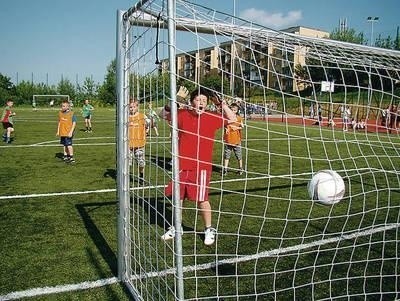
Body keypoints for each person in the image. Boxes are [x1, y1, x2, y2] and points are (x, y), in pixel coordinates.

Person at [160, 86, 237, 246]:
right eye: (198, 99)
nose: (201, 102)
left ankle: (209, 228)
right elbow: (163, 115)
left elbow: (233, 119)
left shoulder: (211, 117)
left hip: (201, 167)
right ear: (191, 102)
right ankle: (177, 227)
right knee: (178, 199)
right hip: (180, 166)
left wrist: (221, 104)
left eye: (204, 100)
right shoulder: (182, 114)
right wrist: (176, 99)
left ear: (207, 103)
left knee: (202, 199)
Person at [222, 103, 244, 175]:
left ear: (237, 111)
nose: (233, 111)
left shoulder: (239, 118)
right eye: (232, 110)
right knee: (226, 155)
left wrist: (236, 127)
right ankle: (225, 169)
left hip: (237, 140)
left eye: (235, 110)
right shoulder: (227, 117)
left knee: (239, 155)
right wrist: (226, 129)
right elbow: (225, 125)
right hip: (228, 140)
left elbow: (242, 126)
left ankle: (240, 168)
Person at [128, 99, 147, 184]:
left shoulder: (142, 116)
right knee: (128, 163)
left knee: (141, 163)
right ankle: (126, 177)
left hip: (140, 145)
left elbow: (150, 124)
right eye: (130, 107)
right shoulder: (126, 117)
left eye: (134, 107)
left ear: (137, 107)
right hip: (128, 145)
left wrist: (148, 127)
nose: (132, 108)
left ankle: (141, 176)